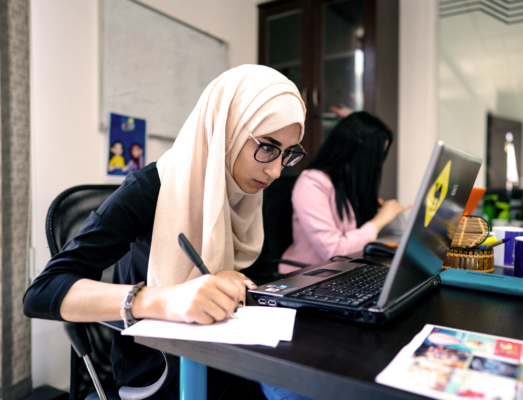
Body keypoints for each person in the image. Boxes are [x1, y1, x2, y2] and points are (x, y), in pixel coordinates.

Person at [23, 65, 312, 400]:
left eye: (288, 154)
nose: (275, 170)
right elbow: (42, 292)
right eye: (267, 147)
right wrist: (162, 299)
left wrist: (238, 281)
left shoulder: (247, 195)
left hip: (232, 362)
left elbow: (259, 278)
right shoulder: (149, 189)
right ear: (227, 130)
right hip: (161, 370)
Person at [280, 112, 411, 273]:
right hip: (311, 275)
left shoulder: (350, 185)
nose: (377, 165)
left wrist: (381, 214)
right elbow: (334, 251)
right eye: (375, 157)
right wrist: (379, 220)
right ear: (358, 154)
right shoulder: (311, 183)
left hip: (346, 271)